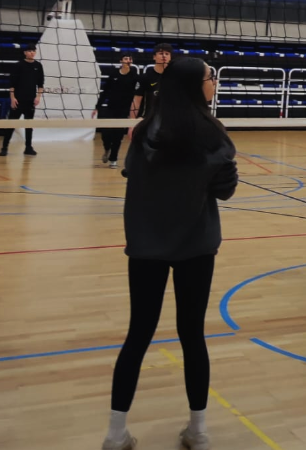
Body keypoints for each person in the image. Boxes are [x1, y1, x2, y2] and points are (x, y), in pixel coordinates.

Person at [103, 58, 238, 450]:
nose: (215, 84)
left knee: (138, 335)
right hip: (196, 246)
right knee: (192, 334)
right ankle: (198, 431)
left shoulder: (144, 132)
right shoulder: (214, 136)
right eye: (211, 79)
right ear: (197, 86)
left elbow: (131, 173)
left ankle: (115, 434)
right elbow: (225, 189)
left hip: (146, 245)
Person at [0, 44, 44, 157]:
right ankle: (4, 147)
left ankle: (28, 147)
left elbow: (40, 84)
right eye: (29, 51)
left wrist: (38, 97)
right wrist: (12, 98)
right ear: (25, 52)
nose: (32, 53)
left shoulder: (38, 66)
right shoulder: (18, 65)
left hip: (30, 101)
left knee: (29, 126)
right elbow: (12, 83)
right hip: (18, 100)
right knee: (11, 124)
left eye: (33, 51)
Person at [96, 53, 139, 169]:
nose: (128, 60)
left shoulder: (134, 76)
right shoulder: (114, 74)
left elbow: (139, 93)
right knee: (106, 134)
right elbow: (105, 91)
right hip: (110, 108)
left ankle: (113, 159)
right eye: (126, 58)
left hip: (124, 110)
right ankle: (107, 148)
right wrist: (97, 106)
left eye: (130, 58)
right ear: (121, 61)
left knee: (118, 136)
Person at [130, 43, 173, 121]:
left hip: (169, 119)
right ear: (154, 57)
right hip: (148, 119)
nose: (164, 56)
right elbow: (136, 101)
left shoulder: (175, 77)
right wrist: (131, 123)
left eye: (167, 54)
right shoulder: (145, 77)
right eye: (161, 53)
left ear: (170, 57)